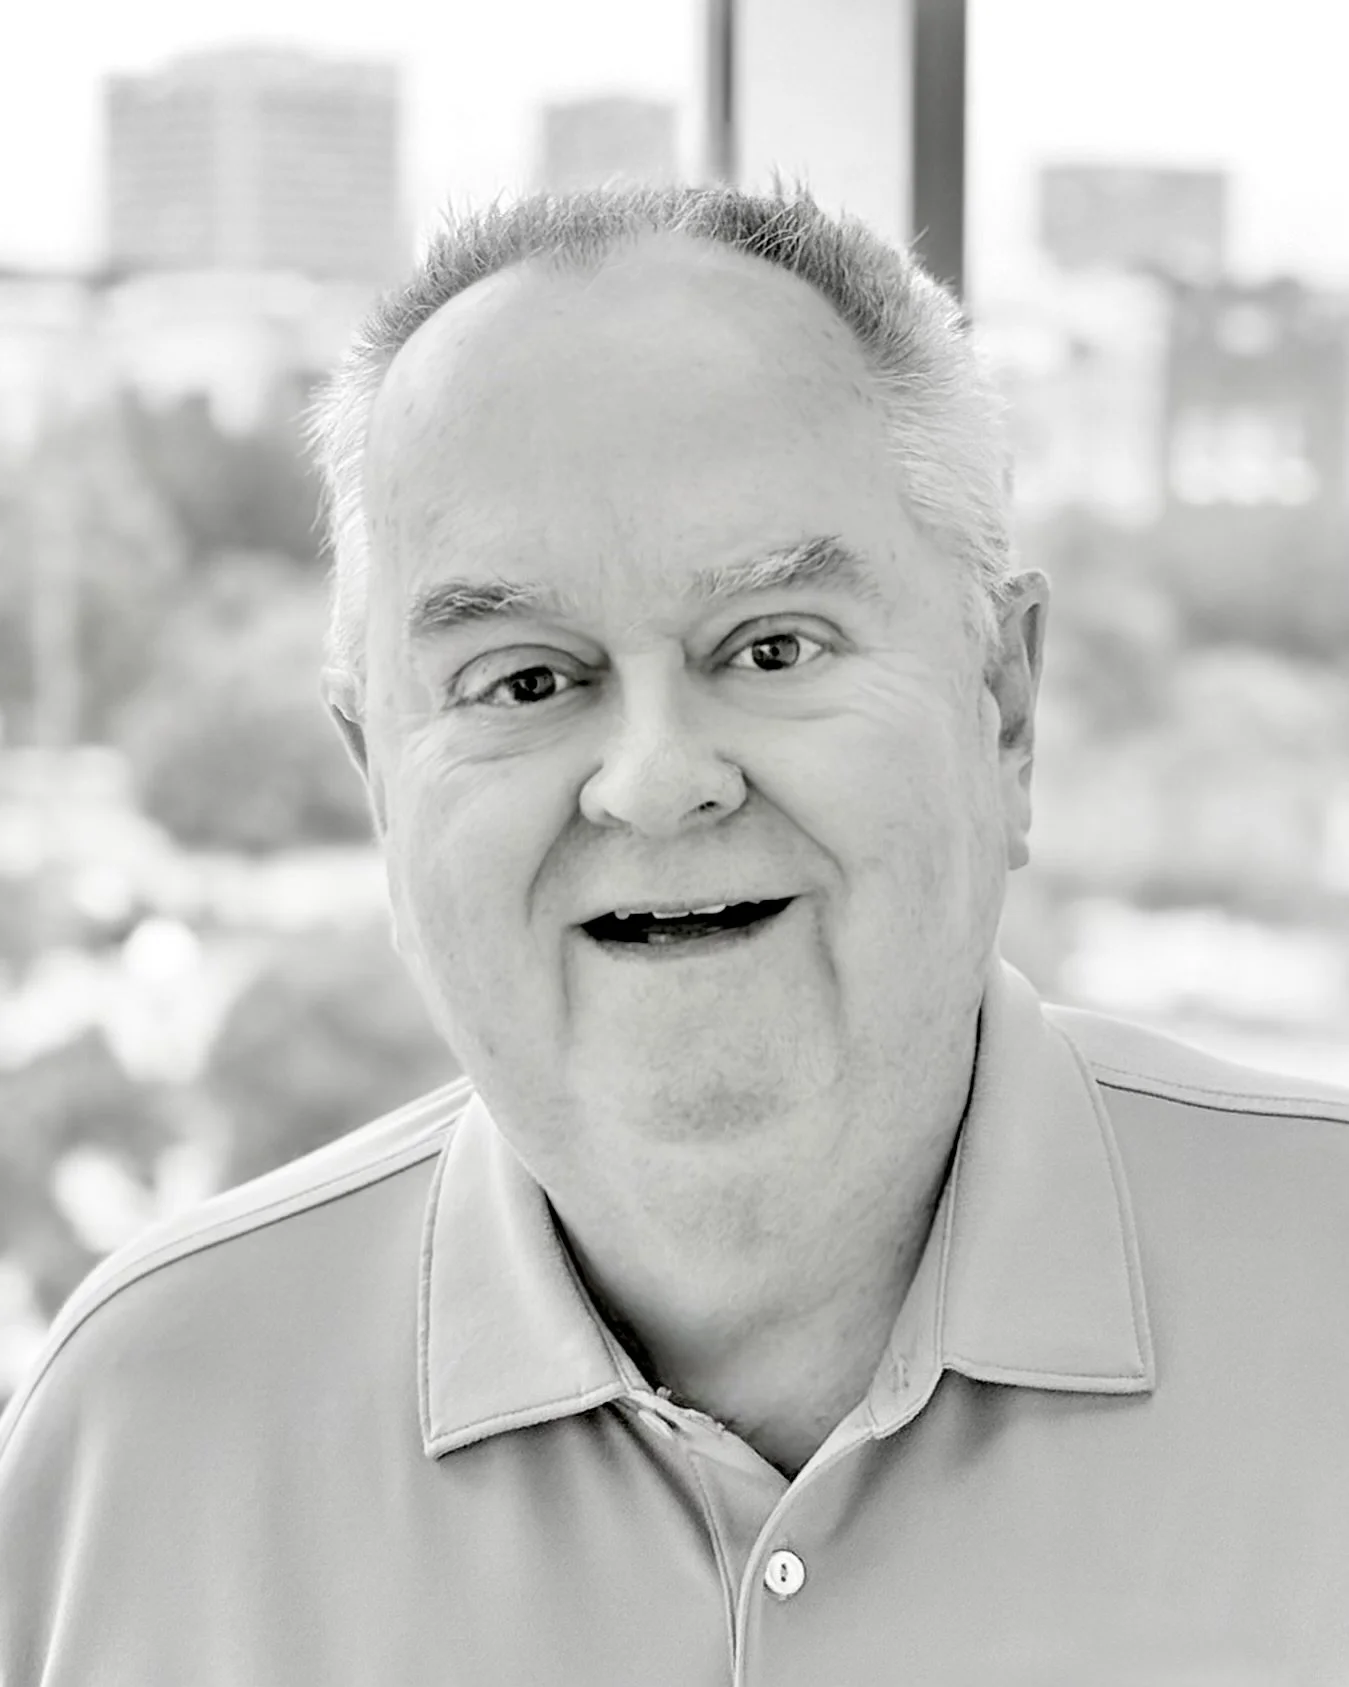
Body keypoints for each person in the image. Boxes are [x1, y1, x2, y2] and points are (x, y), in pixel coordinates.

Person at [2, 179, 1347, 1685]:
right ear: (377, 780)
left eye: (771, 647)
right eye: (524, 681)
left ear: (1005, 708)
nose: (653, 781)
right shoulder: (138, 1449)